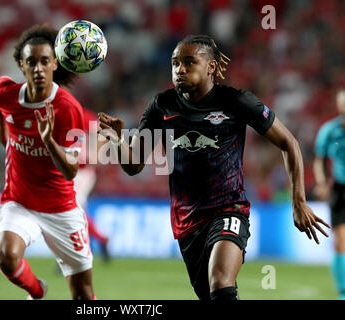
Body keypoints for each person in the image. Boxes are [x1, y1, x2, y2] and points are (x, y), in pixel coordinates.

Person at [98, 35, 330, 300]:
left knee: (220, 280)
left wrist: (298, 201)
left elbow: (289, 143)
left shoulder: (236, 101)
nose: (179, 69)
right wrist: (117, 140)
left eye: (188, 62)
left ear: (210, 66)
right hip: (186, 223)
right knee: (213, 294)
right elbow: (133, 165)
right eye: (175, 63)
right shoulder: (162, 106)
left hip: (230, 210)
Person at [0, 24, 95, 300]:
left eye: (45, 61)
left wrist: (47, 140)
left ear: (55, 64)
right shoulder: (4, 93)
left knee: (83, 294)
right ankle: (37, 292)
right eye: (31, 61)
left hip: (61, 208)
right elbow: (3, 129)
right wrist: (11, 140)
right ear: (21, 65)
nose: (38, 68)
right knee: (6, 255)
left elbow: (71, 171)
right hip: (19, 200)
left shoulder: (67, 108)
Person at [313, 89, 345, 300]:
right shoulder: (329, 130)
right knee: (340, 241)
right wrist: (322, 183)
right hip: (341, 189)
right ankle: (343, 291)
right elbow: (319, 159)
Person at [74, 108, 110, 262]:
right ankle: (99, 239)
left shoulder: (84, 116)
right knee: (75, 211)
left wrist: (94, 155)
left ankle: (76, 249)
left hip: (82, 173)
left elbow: (101, 136)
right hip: (71, 171)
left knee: (74, 210)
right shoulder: (60, 114)